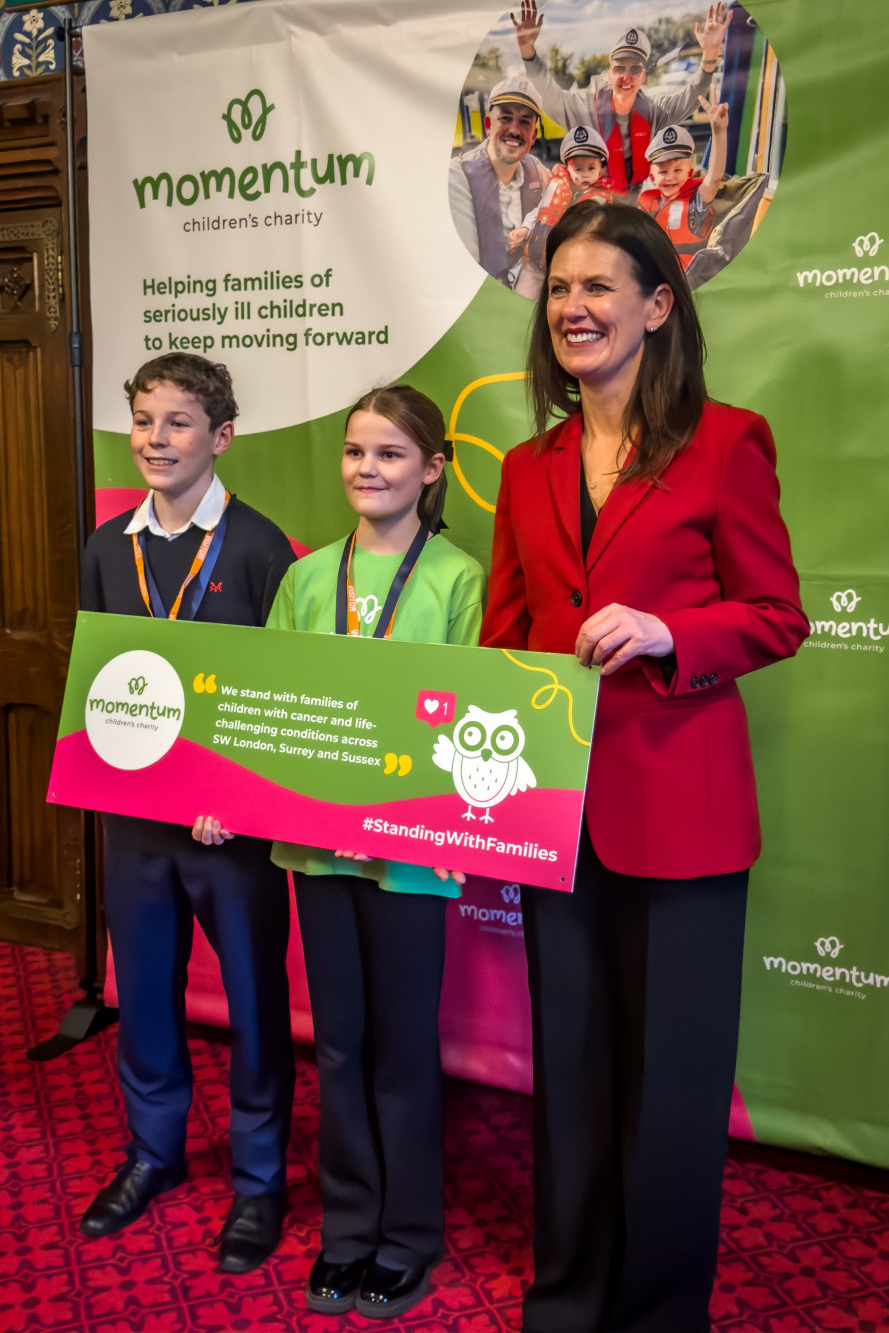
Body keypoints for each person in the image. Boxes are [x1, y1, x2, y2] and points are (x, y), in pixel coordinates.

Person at [480, 200, 808, 1333]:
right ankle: (568, 1298)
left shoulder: (729, 441)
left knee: (669, 1091)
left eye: (598, 287)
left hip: (684, 818)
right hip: (554, 821)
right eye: (558, 289)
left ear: (657, 305)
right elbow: (501, 642)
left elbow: (775, 615)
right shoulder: (527, 468)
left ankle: (660, 1315)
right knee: (567, 1075)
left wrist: (674, 635)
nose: (572, 307)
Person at [264, 386, 483, 1320]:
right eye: (356, 451)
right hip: (316, 852)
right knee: (342, 1045)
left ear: (431, 470)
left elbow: (476, 715)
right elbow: (270, 705)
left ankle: (407, 1238)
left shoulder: (457, 578)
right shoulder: (308, 579)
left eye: (391, 454)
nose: (367, 468)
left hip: (413, 857)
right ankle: (347, 1230)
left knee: (402, 1049)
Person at [79, 353, 296, 1276]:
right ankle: (153, 1151)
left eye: (176, 422)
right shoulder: (105, 546)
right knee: (145, 998)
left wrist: (234, 797)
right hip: (134, 824)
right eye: (142, 421)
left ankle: (259, 1176)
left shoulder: (259, 547)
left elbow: (284, 698)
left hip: (229, 831)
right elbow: (94, 683)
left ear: (222, 436)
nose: (155, 440)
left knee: (252, 998)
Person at [511, 1, 732, 194]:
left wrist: (710, 53)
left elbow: (691, 95)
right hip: (599, 202)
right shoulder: (586, 108)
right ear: (610, 73)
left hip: (642, 203)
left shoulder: (654, 111)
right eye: (620, 69)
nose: (626, 77)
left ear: (643, 76)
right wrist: (528, 54)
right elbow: (549, 95)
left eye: (634, 69)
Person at [449, 75, 549, 289]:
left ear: (533, 136)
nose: (514, 130)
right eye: (505, 118)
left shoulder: (539, 174)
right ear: (488, 125)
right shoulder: (458, 178)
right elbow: (462, 272)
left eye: (525, 122)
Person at [512, 125, 614, 293]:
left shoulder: (601, 202)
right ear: (567, 167)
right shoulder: (556, 186)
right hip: (534, 265)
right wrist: (525, 228)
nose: (584, 174)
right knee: (521, 301)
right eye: (578, 169)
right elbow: (539, 211)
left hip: (568, 273)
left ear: (601, 169)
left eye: (591, 168)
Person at [638, 98, 729, 271]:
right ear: (652, 178)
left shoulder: (697, 202)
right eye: (663, 172)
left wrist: (719, 131)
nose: (670, 177)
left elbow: (715, 177)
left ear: (689, 173)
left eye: (677, 171)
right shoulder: (646, 205)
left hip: (688, 276)